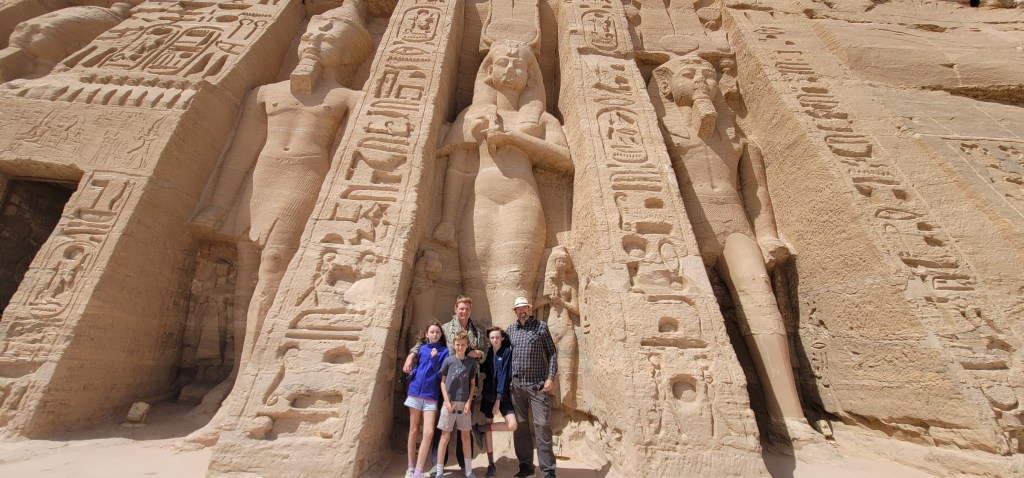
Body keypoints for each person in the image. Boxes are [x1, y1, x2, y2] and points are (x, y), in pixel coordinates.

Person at [648, 54, 809, 434]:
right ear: (666, 84)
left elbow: (756, 192)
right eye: (690, 74)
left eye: (708, 75)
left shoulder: (737, 137)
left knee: (761, 301)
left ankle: (789, 416)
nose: (701, 81)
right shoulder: (660, 129)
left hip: (735, 225)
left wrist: (766, 234)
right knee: (684, 312)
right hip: (685, 226)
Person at [433, 39, 572, 325]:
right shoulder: (471, 116)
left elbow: (563, 159)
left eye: (518, 65)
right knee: (475, 288)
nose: (510, 70)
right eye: (502, 63)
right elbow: (456, 170)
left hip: (521, 201)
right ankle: (479, 352)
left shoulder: (542, 119)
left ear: (530, 76)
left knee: (514, 286)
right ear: (489, 71)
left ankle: (514, 350)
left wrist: (514, 138)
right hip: (479, 202)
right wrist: (446, 220)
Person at [409, 295, 485, 472]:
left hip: (467, 385)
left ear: (470, 310)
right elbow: (424, 342)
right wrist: (412, 354)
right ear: (455, 309)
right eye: (461, 308)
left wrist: (479, 354)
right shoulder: (445, 328)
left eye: (467, 309)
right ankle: (438, 464)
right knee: (442, 425)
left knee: (464, 428)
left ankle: (464, 464)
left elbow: (485, 352)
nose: (464, 311)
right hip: (447, 384)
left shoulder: (478, 331)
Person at [507, 297, 557, 478]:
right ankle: (526, 466)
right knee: (520, 427)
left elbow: (552, 352)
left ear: (529, 309)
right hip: (517, 386)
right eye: (518, 309)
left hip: (537, 386)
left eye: (524, 308)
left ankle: (548, 470)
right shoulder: (511, 330)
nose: (522, 311)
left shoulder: (541, 327)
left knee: (542, 425)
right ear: (515, 311)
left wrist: (550, 377)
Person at [403, 322, 448, 478]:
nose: (434, 334)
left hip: (431, 395)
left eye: (437, 332)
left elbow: (441, 374)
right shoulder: (422, 349)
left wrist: (435, 359)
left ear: (441, 335)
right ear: (427, 334)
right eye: (432, 332)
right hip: (415, 392)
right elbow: (420, 367)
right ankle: (410, 468)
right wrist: (412, 374)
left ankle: (418, 471)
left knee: (428, 432)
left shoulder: (444, 351)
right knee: (414, 430)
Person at [476, 326, 518, 477]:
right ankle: (491, 465)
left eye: (497, 337)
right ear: (489, 339)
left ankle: (480, 428)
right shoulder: (487, 352)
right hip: (488, 395)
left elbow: (505, 376)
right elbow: (483, 369)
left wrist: (499, 400)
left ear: (502, 338)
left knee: (512, 425)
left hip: (503, 397)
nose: (495, 340)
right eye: (492, 337)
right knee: (489, 428)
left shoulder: (506, 352)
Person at [436, 332, 479, 478]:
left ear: (467, 346)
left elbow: (472, 384)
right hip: (449, 403)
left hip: (464, 404)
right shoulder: (448, 361)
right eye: (457, 345)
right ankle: (439, 471)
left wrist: (469, 402)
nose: (460, 347)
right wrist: (446, 402)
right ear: (454, 345)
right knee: (444, 436)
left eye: (463, 345)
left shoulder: (471, 363)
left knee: (465, 437)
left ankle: (468, 470)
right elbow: (442, 382)